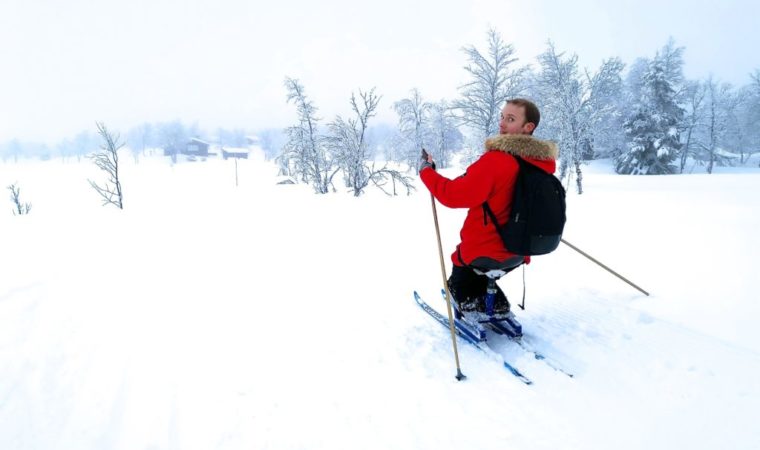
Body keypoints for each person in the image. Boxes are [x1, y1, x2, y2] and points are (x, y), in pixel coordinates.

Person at [419, 98, 558, 317]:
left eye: (510, 119)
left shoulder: (497, 161)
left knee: (460, 273)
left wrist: (426, 171)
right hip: (521, 252)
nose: (502, 123)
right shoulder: (540, 163)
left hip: (483, 251)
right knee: (482, 273)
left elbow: (452, 195)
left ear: (528, 127)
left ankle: (468, 303)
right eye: (502, 117)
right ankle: (495, 303)